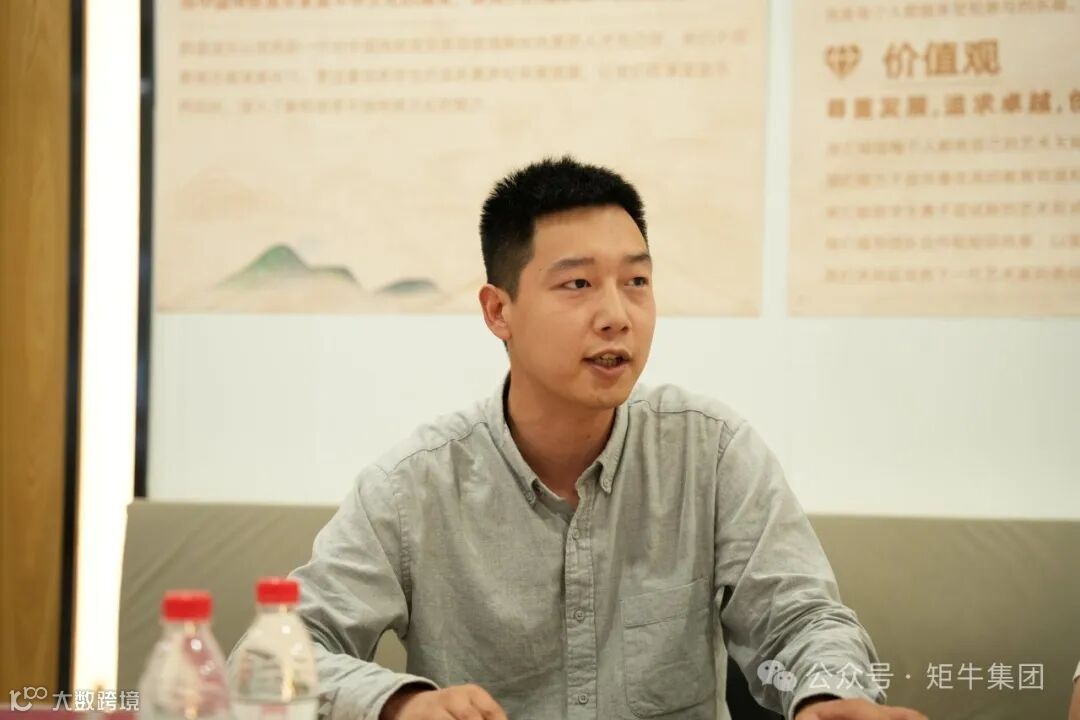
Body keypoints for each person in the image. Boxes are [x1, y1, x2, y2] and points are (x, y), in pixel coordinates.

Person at [283, 157, 926, 720]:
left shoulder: (710, 453)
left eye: (636, 282)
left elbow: (801, 618)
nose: (617, 316)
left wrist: (824, 694)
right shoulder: (412, 488)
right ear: (498, 311)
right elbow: (280, 654)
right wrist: (396, 703)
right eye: (578, 284)